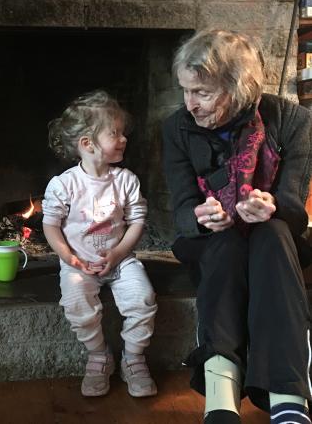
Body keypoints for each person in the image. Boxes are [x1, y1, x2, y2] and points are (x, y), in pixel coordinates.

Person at [163, 29, 312, 424]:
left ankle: (288, 398)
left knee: (276, 234)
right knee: (224, 243)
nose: (190, 104)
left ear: (239, 87)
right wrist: (199, 216)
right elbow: (179, 208)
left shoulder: (294, 121)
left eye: (203, 93)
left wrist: (272, 205)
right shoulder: (176, 127)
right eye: (185, 91)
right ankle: (221, 392)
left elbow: (295, 210)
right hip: (210, 239)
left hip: (273, 239)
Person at [42, 90, 158, 398]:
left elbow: (136, 222)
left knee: (143, 298)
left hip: (121, 261)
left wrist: (119, 252)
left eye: (123, 133)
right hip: (79, 263)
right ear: (87, 144)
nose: (123, 139)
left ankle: (133, 357)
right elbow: (50, 225)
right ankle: (98, 354)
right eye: (115, 133)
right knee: (76, 301)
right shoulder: (64, 184)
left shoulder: (126, 180)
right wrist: (68, 257)